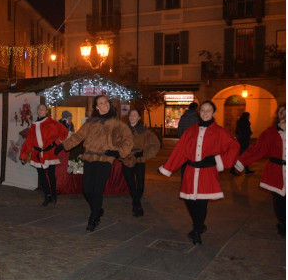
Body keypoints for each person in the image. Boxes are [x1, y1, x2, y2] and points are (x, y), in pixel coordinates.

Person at [159, 101, 240, 245]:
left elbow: (234, 146)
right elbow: (180, 151)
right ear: (199, 112)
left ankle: (196, 231)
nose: (205, 113)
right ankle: (200, 225)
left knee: (202, 203)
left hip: (207, 174)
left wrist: (218, 160)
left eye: (208, 110)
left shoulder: (220, 132)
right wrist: (168, 167)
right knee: (190, 201)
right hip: (190, 172)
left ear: (214, 112)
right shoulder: (190, 131)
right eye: (203, 110)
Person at [55, 95, 133, 231]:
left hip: (105, 159)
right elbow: (78, 136)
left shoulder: (117, 123)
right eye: (101, 103)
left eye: (106, 102)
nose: (105, 105)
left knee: (97, 189)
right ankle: (97, 208)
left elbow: (128, 140)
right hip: (90, 158)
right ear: (97, 107)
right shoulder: (90, 122)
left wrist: (118, 152)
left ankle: (94, 217)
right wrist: (63, 145)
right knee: (86, 189)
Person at [234, 104, 286, 236]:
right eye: (281, 112)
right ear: (277, 116)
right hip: (276, 171)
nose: (284, 115)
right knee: (280, 200)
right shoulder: (270, 132)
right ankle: (283, 223)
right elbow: (257, 149)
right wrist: (241, 162)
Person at [20, 103, 68, 206]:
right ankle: (47, 196)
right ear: (37, 111)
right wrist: (24, 154)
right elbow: (29, 141)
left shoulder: (52, 123)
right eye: (39, 109)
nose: (41, 110)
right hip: (37, 154)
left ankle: (54, 194)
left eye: (43, 109)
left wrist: (55, 143)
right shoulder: (33, 125)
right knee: (42, 176)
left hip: (49, 153)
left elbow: (64, 132)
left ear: (46, 111)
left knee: (51, 175)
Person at [120, 109, 161, 216]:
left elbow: (156, 144)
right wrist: (123, 154)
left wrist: (144, 154)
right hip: (127, 160)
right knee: (131, 184)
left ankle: (136, 202)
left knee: (141, 185)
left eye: (135, 115)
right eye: (131, 115)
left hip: (139, 160)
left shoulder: (145, 131)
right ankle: (137, 205)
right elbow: (116, 143)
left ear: (139, 118)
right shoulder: (123, 130)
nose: (132, 117)